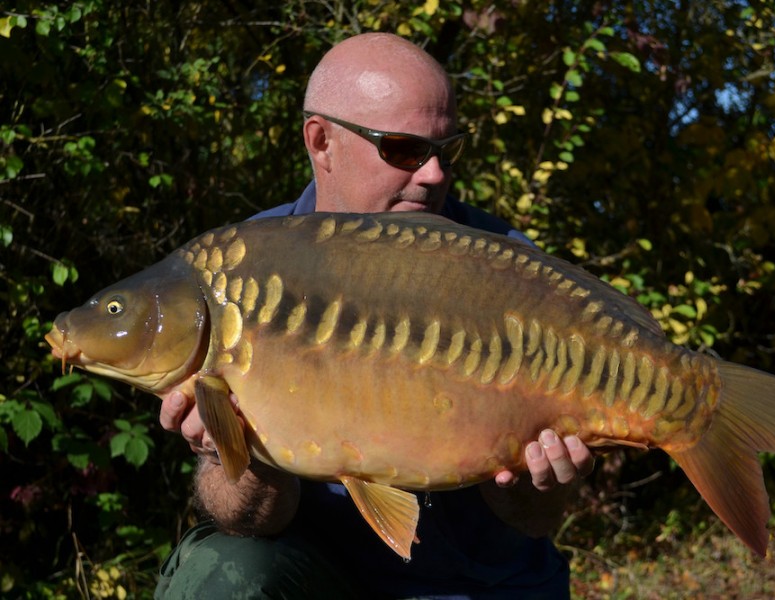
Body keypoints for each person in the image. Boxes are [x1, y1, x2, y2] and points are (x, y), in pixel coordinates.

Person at [154, 32, 594, 599]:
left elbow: (534, 520)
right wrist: (244, 450)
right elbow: (246, 516)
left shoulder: (508, 270)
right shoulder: (240, 276)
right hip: (324, 578)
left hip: (482, 585)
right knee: (218, 575)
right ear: (322, 142)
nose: (434, 174)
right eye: (405, 150)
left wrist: (539, 478)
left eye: (448, 149)